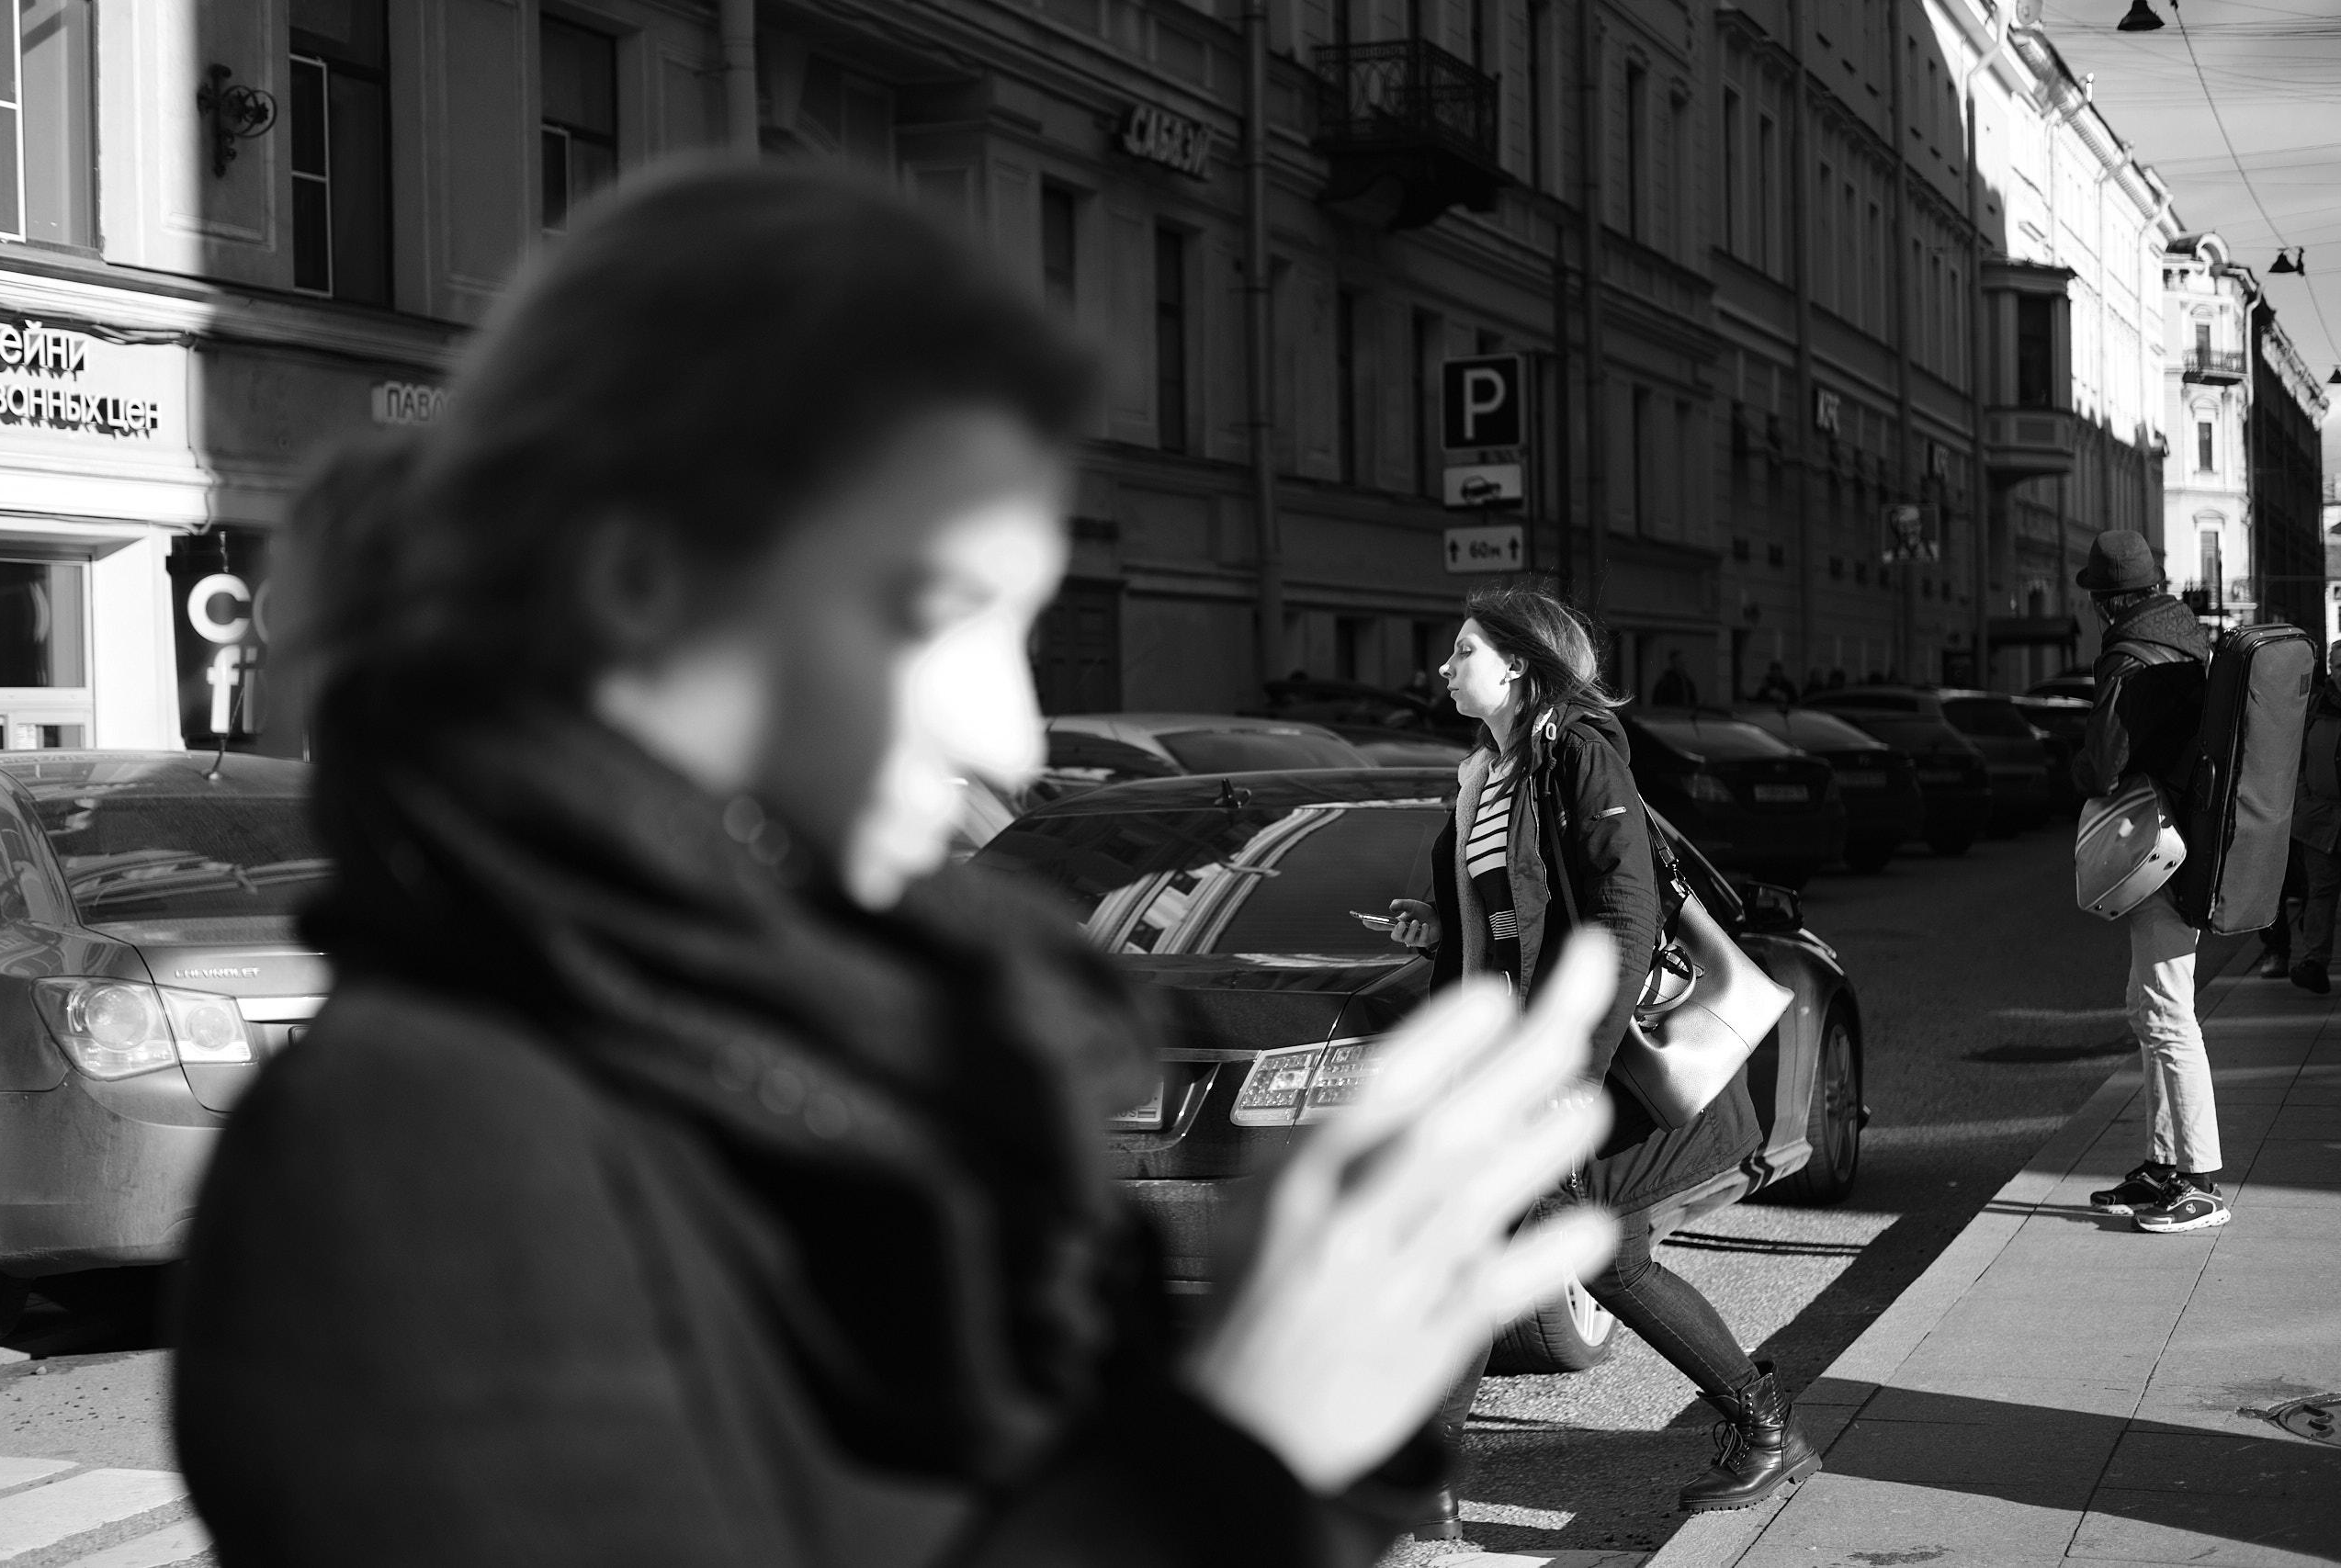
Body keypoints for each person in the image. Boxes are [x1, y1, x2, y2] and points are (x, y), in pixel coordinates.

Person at [170, 164, 1623, 1567]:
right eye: (936, 610)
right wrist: (1237, 1449)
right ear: (641, 582)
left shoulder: (926, 1041)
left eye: (1024, 626)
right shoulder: (410, 1147)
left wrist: (1337, 1412)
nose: (1002, 727)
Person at [1384, 584, 1816, 1522]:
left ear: (1517, 664)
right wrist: (1435, 926)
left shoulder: (1577, 755)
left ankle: (1424, 1492)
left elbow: (1626, 917)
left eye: (1462, 650)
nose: (1445, 667)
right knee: (1598, 1257)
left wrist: (1570, 1066)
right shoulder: (1481, 778)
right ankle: (1763, 1425)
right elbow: (1509, 921)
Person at [2071, 529, 2228, 1235]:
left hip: (2156, 850)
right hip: (2188, 836)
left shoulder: (2126, 658)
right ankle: (2163, 1166)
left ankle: (2199, 1180)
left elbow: (2103, 767)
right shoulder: (2188, 638)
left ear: (2106, 603)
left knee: (2166, 1011)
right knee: (2149, 1005)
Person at [2284, 641, 2341, 992]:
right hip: (2320, 820)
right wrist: (2304, 802)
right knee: (2320, 891)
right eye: (2339, 666)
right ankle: (2314, 963)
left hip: (2319, 815)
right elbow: (2296, 759)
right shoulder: (2315, 707)